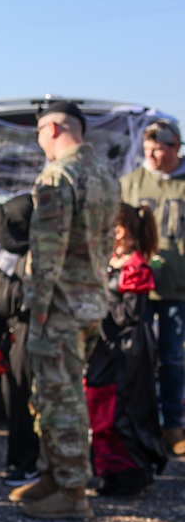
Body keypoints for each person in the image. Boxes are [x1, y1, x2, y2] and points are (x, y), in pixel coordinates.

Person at [9, 100, 120, 520]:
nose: (40, 143)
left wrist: (35, 308)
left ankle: (73, 491)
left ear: (54, 128)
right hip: (91, 301)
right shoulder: (106, 176)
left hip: (58, 308)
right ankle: (54, 475)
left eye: (39, 133)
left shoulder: (58, 176)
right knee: (58, 392)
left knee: (60, 398)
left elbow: (48, 252)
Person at [85, 203, 168, 496]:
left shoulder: (135, 266)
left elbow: (129, 315)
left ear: (119, 231)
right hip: (109, 347)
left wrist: (97, 299)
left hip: (127, 351)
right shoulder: (115, 261)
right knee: (102, 410)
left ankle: (128, 476)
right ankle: (109, 473)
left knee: (122, 412)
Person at [120, 120, 185, 457]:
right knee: (136, 358)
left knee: (173, 358)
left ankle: (173, 424)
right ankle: (136, 422)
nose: (153, 156)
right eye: (147, 150)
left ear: (176, 147)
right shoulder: (130, 184)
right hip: (138, 289)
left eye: (159, 149)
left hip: (177, 288)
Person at [0, 193, 42, 487]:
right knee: (17, 398)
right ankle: (22, 461)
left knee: (24, 399)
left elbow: (20, 300)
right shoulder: (21, 255)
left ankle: (28, 463)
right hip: (18, 335)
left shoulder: (33, 256)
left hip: (28, 335)